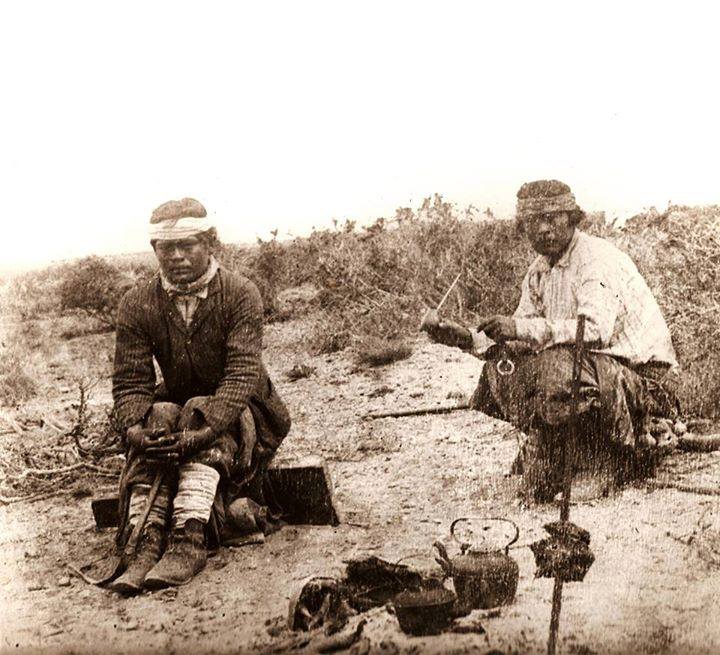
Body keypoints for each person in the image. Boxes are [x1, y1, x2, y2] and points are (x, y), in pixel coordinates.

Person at [425, 180, 679, 502]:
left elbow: (594, 331)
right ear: (524, 227)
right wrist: (466, 340)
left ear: (572, 218)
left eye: (553, 218)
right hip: (596, 372)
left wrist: (519, 329)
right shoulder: (539, 271)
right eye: (534, 222)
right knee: (504, 367)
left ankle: (605, 460)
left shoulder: (594, 260)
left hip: (641, 382)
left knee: (557, 365)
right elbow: (523, 335)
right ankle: (554, 452)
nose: (544, 229)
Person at [108, 197, 291, 594]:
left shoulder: (241, 293)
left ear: (210, 242)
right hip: (179, 412)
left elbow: (241, 374)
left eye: (186, 244)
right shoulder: (137, 302)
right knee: (157, 414)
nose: (175, 256)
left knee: (196, 409)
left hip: (245, 410)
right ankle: (146, 538)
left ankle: (190, 537)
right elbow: (130, 380)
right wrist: (136, 429)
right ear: (154, 250)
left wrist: (204, 431)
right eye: (165, 247)